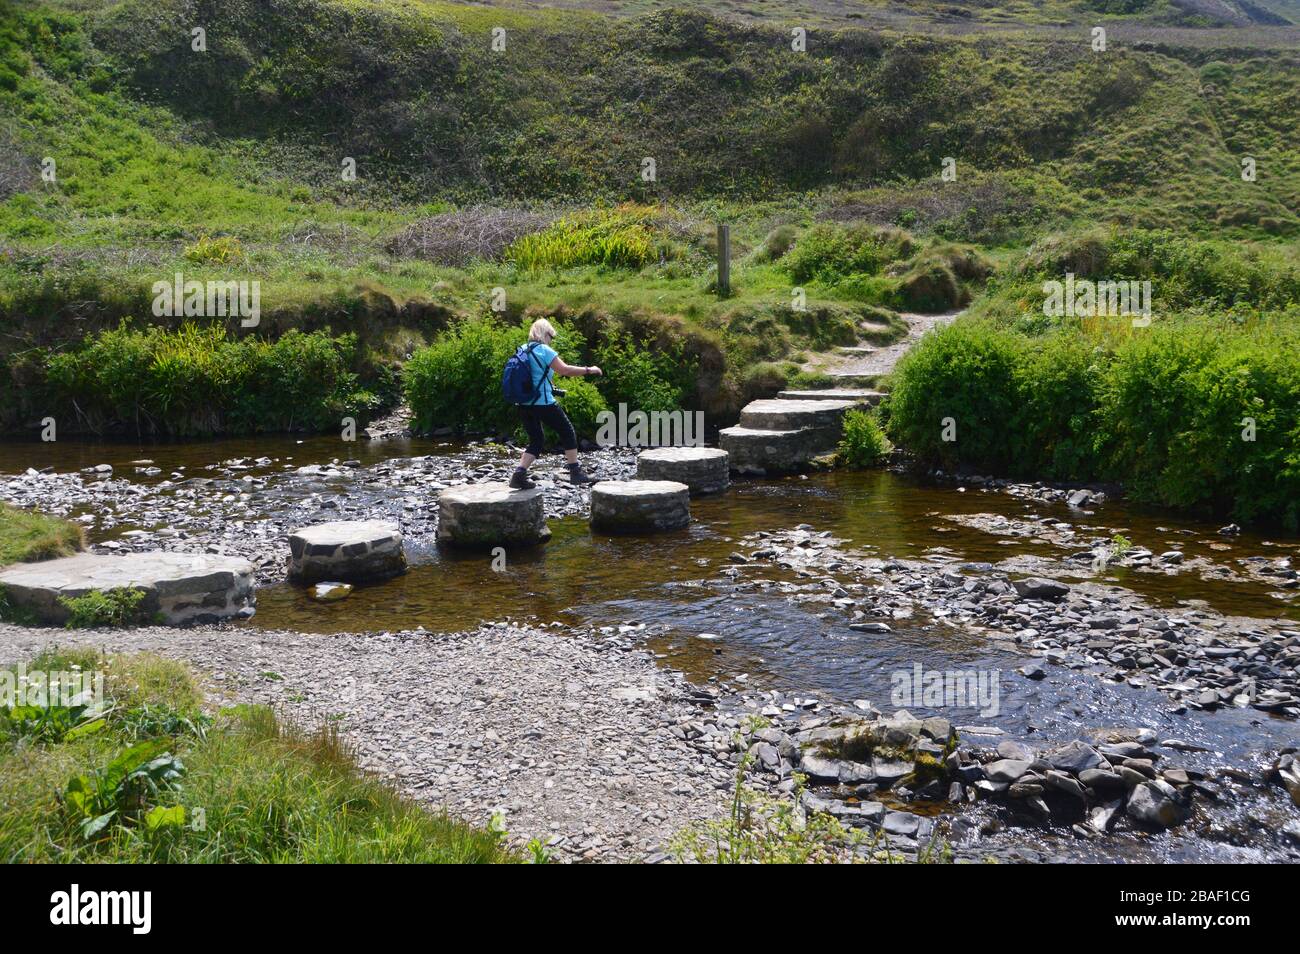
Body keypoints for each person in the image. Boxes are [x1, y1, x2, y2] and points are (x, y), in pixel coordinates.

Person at [510, 318, 602, 489]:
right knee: (567, 431)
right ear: (545, 334)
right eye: (551, 336)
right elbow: (565, 370)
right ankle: (576, 473)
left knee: (536, 440)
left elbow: (531, 376)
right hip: (543, 403)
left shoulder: (522, 349)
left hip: (523, 404)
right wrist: (589, 369)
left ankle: (518, 475)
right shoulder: (544, 350)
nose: (552, 340)